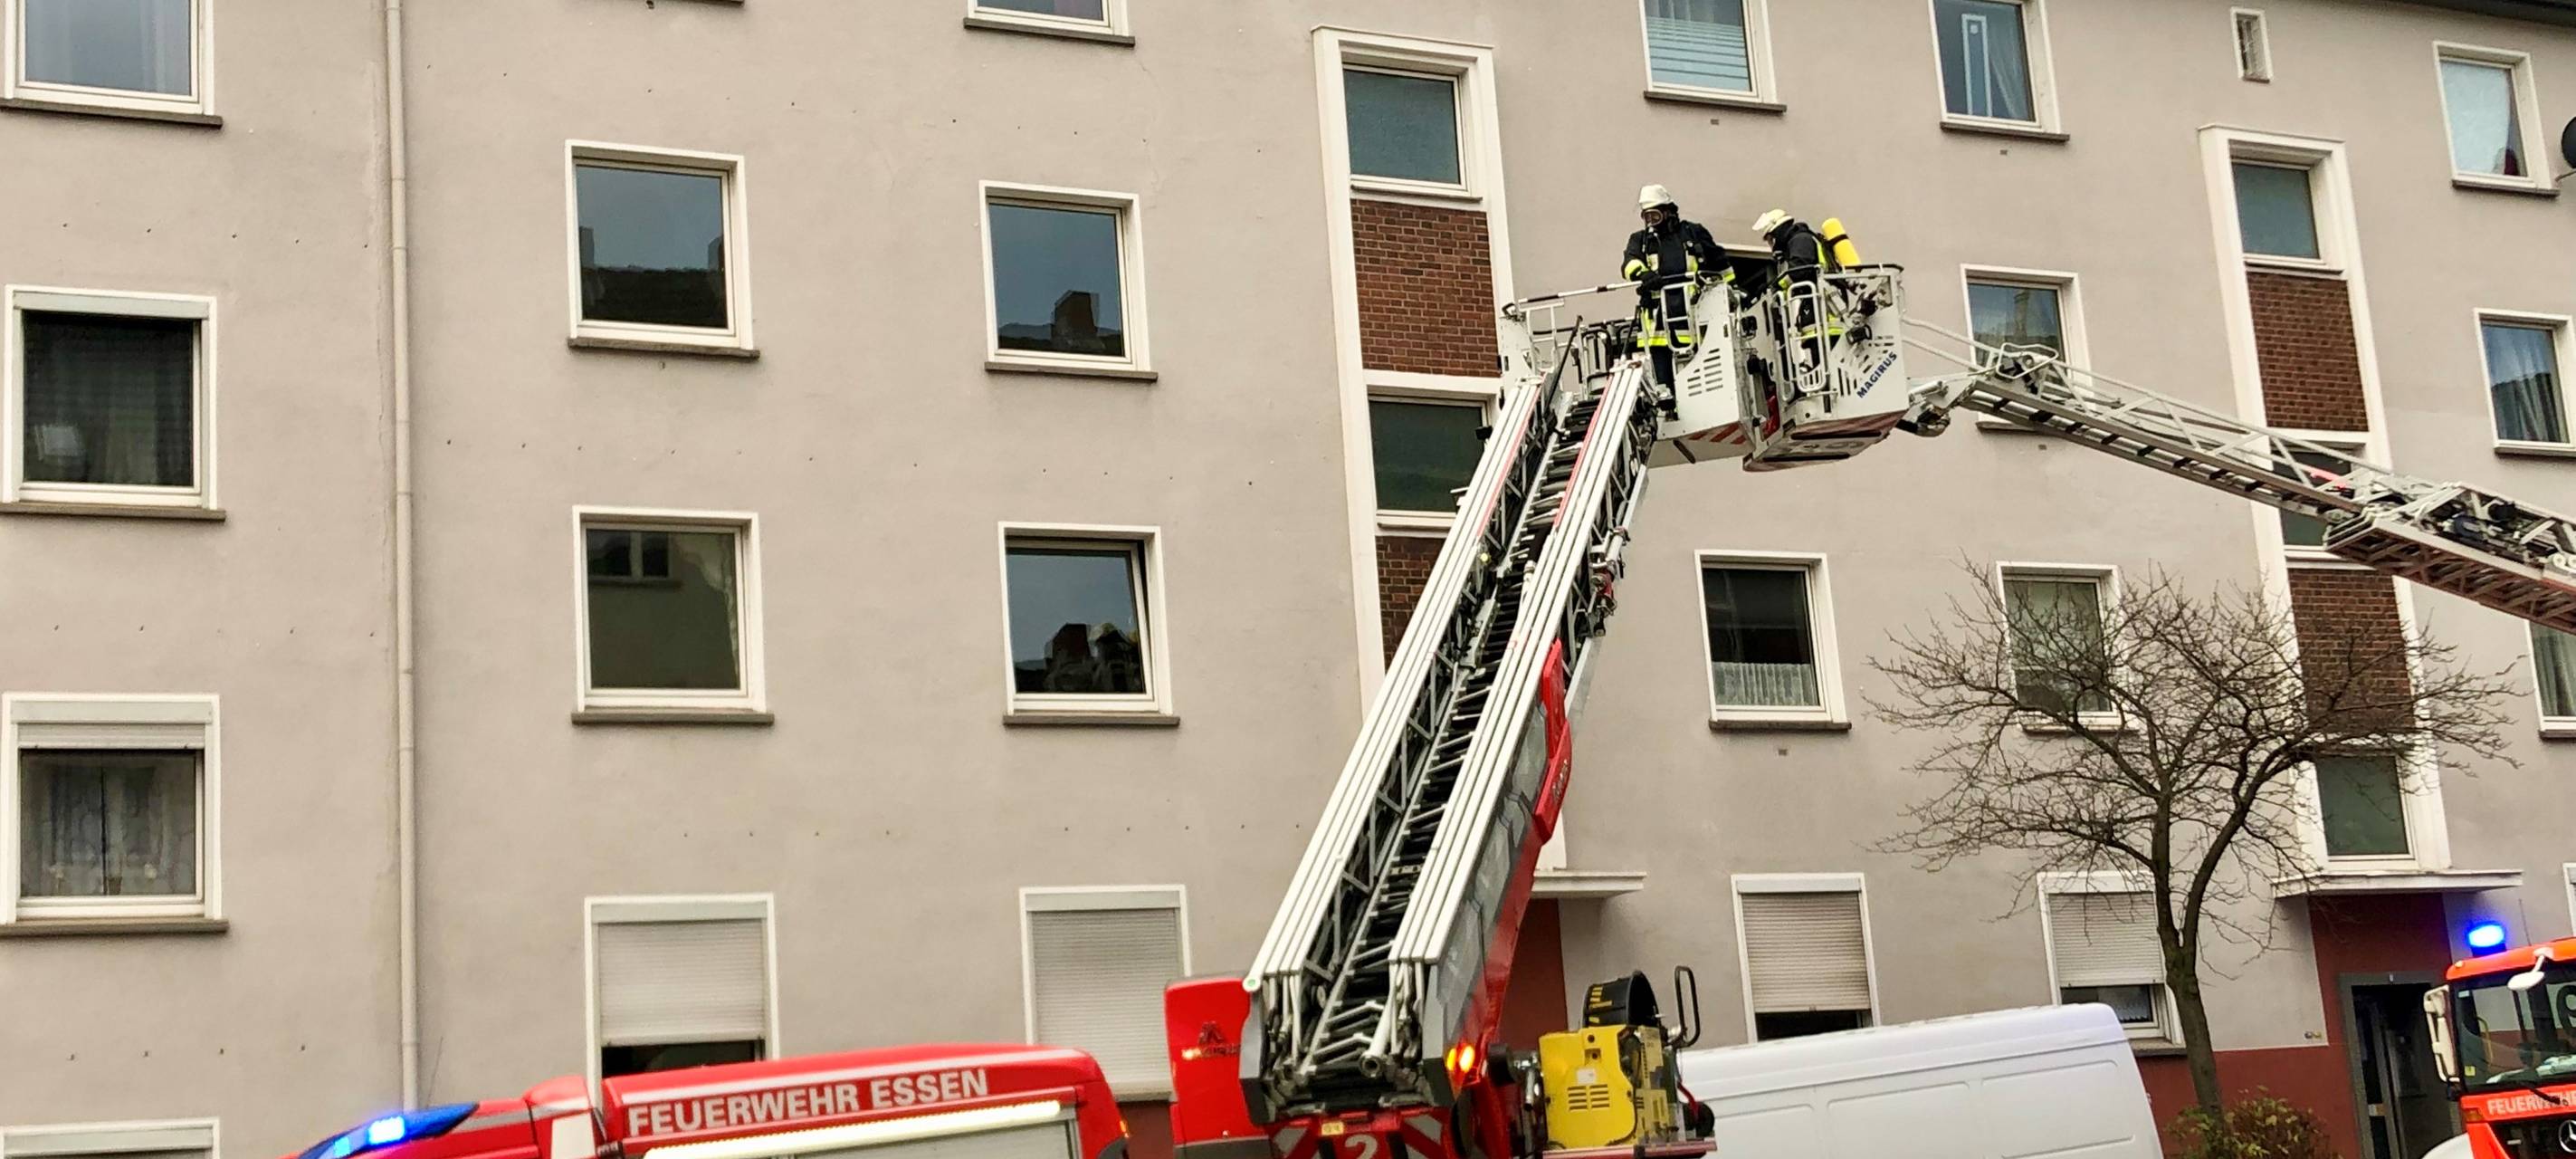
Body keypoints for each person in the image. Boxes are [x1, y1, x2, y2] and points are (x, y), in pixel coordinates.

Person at [1621, 185, 1723, 392]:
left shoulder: (1693, 233)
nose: (1651, 221)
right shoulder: (1640, 241)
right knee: (1664, 385)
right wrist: (1644, 275)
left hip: (1694, 318)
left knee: (1699, 379)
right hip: (1657, 327)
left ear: (1668, 211)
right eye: (1647, 217)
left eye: (1655, 215)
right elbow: (1629, 264)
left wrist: (1732, 293)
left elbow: (1721, 265)